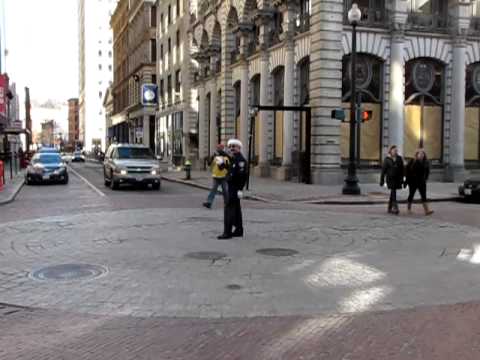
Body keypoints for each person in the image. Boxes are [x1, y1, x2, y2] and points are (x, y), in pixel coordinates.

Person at [217, 139, 248, 240]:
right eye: (230, 147)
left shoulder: (241, 160)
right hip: (231, 186)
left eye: (234, 146)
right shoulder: (234, 159)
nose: (232, 148)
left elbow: (243, 176)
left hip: (234, 187)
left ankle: (227, 232)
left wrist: (240, 189)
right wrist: (221, 164)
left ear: (239, 148)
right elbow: (229, 169)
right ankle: (239, 230)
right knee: (236, 209)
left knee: (228, 209)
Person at [405, 149, 434, 216]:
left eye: (423, 154)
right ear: (417, 155)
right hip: (413, 181)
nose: (421, 155)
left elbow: (427, 172)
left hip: (422, 182)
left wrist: (425, 179)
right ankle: (408, 209)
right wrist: (407, 180)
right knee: (411, 195)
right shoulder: (412, 161)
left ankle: (427, 210)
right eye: (420, 154)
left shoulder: (426, 162)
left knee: (424, 196)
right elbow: (407, 171)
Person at [203, 144, 230, 209]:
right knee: (213, 190)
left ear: (222, 149)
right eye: (217, 148)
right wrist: (212, 157)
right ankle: (209, 202)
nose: (218, 149)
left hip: (223, 176)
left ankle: (227, 203)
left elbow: (227, 167)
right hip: (216, 176)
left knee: (225, 191)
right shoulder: (215, 156)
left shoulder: (225, 157)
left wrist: (222, 164)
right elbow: (209, 163)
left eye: (219, 148)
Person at [380, 145, 405, 215]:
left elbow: (402, 169)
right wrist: (382, 180)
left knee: (393, 192)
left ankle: (389, 208)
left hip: (397, 178)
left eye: (396, 150)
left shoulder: (399, 158)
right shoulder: (387, 159)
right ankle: (396, 207)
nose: (395, 151)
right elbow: (383, 171)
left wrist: (403, 179)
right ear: (390, 151)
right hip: (390, 179)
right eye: (394, 150)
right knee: (393, 191)